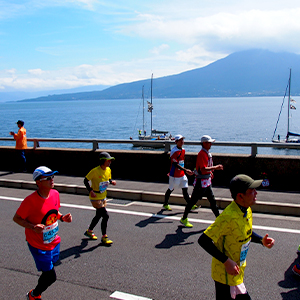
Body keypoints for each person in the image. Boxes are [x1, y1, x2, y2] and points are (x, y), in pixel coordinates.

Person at [198, 174, 275, 300]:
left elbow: (245, 232)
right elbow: (203, 240)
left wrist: (261, 240)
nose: (256, 193)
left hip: (236, 272)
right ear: (240, 196)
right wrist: (226, 262)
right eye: (251, 191)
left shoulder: (246, 209)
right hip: (225, 275)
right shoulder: (228, 217)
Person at [13, 166, 72, 300]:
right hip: (38, 245)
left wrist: (62, 218)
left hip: (54, 241)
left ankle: (36, 290)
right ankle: (33, 294)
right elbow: (16, 218)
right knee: (51, 277)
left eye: (52, 177)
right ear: (38, 182)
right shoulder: (30, 201)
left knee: (50, 268)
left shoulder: (55, 193)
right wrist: (33, 226)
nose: (52, 180)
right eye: (48, 178)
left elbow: (54, 211)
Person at [180, 135, 223, 228]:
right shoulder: (202, 154)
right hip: (201, 182)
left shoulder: (206, 153)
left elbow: (203, 169)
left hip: (206, 181)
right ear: (204, 143)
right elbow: (203, 169)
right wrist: (215, 167)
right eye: (209, 142)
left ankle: (219, 220)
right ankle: (184, 218)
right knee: (192, 201)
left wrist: (210, 172)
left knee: (212, 201)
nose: (211, 144)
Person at [83, 151, 116, 244]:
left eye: (110, 161)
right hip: (95, 197)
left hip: (103, 196)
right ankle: (104, 237)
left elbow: (108, 178)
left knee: (98, 215)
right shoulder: (94, 171)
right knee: (105, 216)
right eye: (108, 160)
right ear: (102, 161)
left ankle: (89, 231)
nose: (109, 162)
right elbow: (85, 180)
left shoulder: (108, 170)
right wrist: (90, 190)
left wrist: (111, 181)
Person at [163, 134, 194, 211]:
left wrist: (184, 171)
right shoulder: (174, 151)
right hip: (174, 175)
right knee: (170, 189)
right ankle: (165, 204)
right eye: (180, 140)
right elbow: (175, 164)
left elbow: (181, 162)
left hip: (182, 174)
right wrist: (185, 170)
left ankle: (190, 204)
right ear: (176, 142)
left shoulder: (183, 150)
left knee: (185, 189)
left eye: (182, 140)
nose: (182, 142)